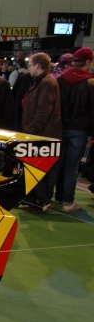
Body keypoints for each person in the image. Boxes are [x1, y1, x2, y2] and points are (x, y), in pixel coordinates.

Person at [18, 52, 63, 213]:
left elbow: (43, 111)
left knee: (35, 169)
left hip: (41, 134)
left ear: (38, 65)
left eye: (30, 65)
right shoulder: (40, 82)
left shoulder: (46, 83)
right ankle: (32, 200)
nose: (28, 68)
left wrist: (30, 130)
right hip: (37, 132)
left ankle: (43, 200)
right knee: (31, 168)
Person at [55, 47, 94, 212]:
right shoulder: (90, 82)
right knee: (72, 166)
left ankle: (56, 197)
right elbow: (93, 110)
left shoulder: (60, 79)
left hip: (60, 127)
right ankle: (68, 201)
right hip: (80, 130)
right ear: (87, 62)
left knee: (58, 163)